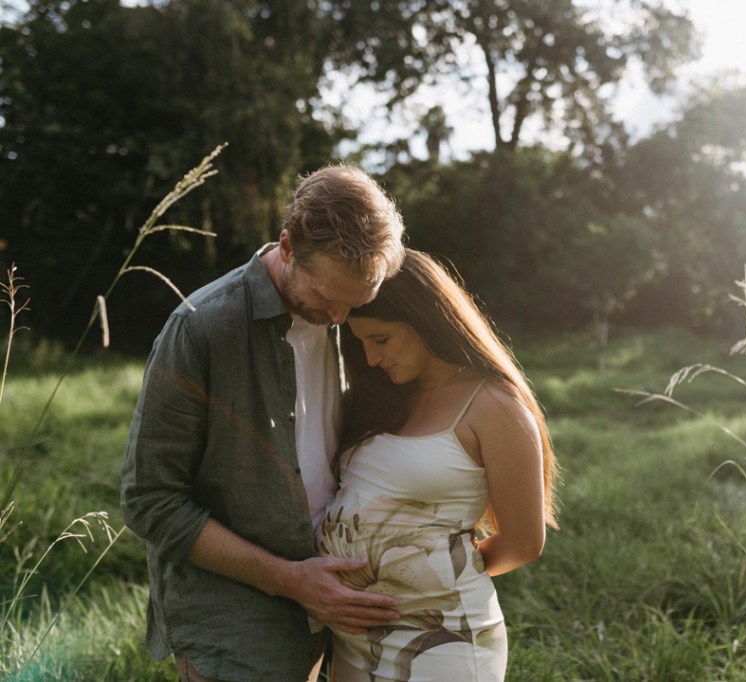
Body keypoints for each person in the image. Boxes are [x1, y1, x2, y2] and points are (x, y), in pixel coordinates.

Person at [121, 164, 407, 682]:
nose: (341, 316)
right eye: (326, 298)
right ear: (288, 247)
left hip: (339, 609)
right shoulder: (200, 328)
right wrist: (291, 580)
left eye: (355, 302)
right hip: (234, 621)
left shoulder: (355, 325)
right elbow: (149, 500)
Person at [315, 249, 560, 681]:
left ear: (425, 320)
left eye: (381, 339)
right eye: (361, 342)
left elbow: (523, 542)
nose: (371, 358)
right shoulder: (380, 397)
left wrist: (426, 580)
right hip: (354, 640)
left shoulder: (494, 405)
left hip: (443, 639)